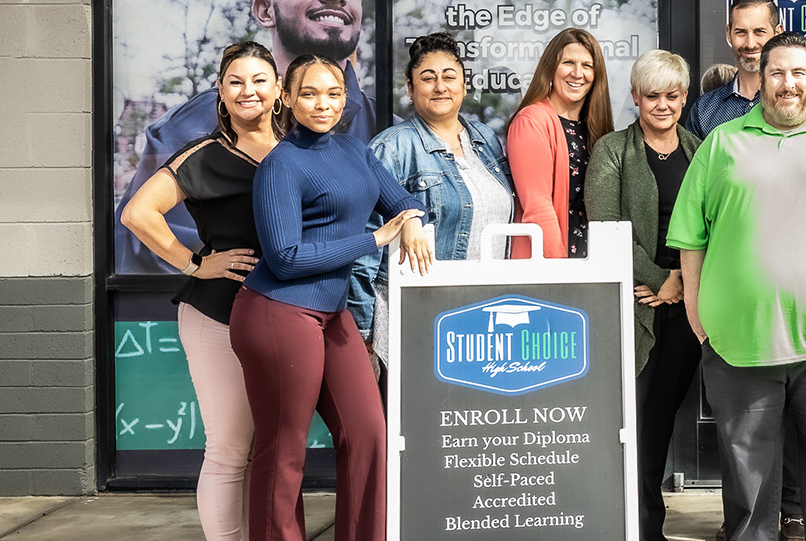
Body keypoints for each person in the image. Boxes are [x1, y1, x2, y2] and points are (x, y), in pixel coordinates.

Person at [667, 32, 806, 541]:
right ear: (759, 80)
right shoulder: (722, 144)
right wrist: (699, 319)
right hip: (736, 339)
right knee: (747, 477)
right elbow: (690, 237)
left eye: (798, 73)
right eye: (776, 73)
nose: (787, 84)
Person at [116, 0, 380, 274]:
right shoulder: (193, 126)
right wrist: (197, 265)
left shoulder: (378, 122)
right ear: (265, 10)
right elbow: (142, 232)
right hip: (243, 302)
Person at [236, 54, 431, 541]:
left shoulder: (355, 150)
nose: (324, 104)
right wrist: (374, 240)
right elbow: (284, 258)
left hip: (331, 312)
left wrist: (412, 222)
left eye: (334, 93)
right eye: (309, 93)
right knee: (284, 450)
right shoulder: (280, 165)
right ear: (286, 96)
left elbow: (403, 200)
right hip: (279, 310)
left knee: (368, 434)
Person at [119, 41, 282, 541]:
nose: (247, 90)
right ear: (221, 90)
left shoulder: (299, 150)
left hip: (286, 314)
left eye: (259, 80)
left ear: (279, 91)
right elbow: (137, 213)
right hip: (219, 313)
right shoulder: (205, 156)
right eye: (236, 81)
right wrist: (194, 262)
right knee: (230, 449)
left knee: (270, 447)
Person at [584, 50, 704, 541]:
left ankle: (646, 519)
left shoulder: (699, 150)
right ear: (635, 97)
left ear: (684, 97)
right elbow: (605, 224)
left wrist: (682, 281)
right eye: (651, 95)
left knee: (658, 419)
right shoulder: (613, 149)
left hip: (689, 303)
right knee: (630, 421)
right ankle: (638, 526)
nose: (662, 104)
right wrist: (660, 279)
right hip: (634, 301)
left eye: (671, 95)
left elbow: (713, 226)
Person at [346, 32, 514, 363]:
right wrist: (362, 331)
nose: (440, 87)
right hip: (417, 315)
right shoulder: (391, 148)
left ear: (464, 86)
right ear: (410, 89)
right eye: (428, 78)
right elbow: (364, 245)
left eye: (450, 77)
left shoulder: (486, 139)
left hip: (483, 316)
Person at [507, 28, 615, 259]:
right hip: (552, 264)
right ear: (551, 68)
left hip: (596, 263)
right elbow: (538, 210)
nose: (578, 73)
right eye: (568, 62)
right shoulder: (531, 121)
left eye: (587, 65)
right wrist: (562, 275)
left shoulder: (594, 128)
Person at [684, 0, 785, 139]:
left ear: (778, 33)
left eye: (759, 32)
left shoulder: (801, 100)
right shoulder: (703, 110)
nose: (750, 44)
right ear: (728, 34)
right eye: (741, 32)